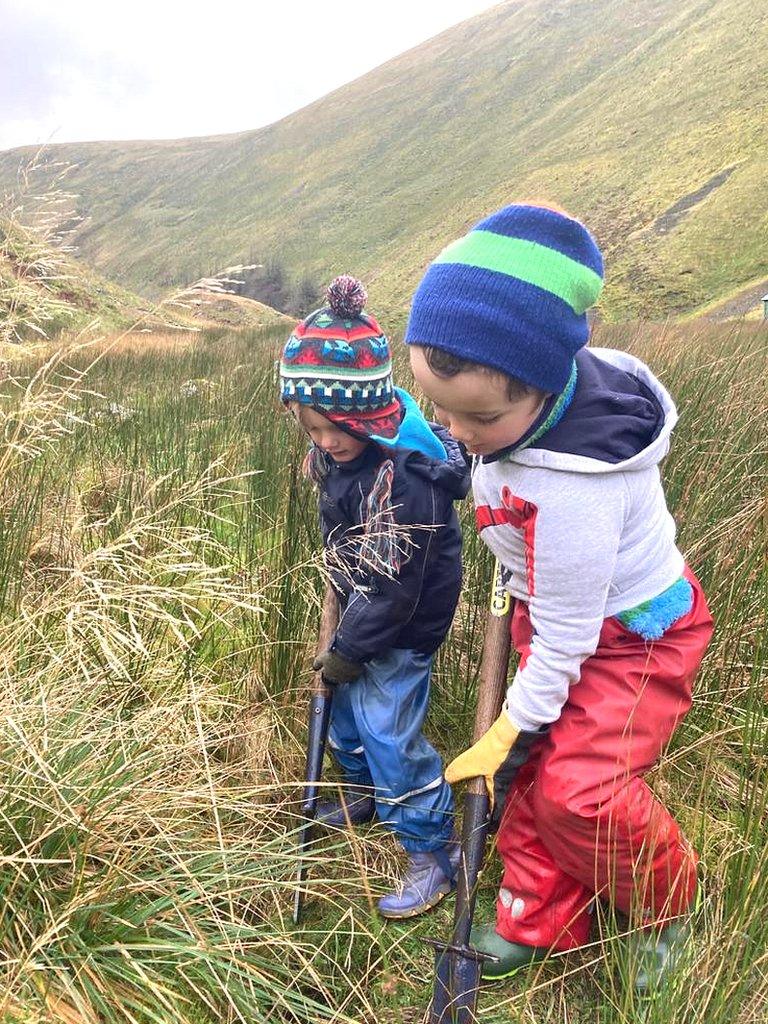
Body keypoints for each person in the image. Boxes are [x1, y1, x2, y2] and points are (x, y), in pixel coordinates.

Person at [403, 204, 714, 988]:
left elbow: (574, 638)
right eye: (442, 407)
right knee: (543, 775)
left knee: (576, 789)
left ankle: (670, 903)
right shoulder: (513, 418)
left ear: (541, 386)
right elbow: (480, 465)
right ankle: (532, 916)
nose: (458, 429)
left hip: (632, 637)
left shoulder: (574, 489)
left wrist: (509, 729)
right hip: (558, 612)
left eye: (478, 416)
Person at [280, 274, 470, 918]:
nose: (325, 442)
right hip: (361, 608)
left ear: (368, 417)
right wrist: (324, 460)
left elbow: (393, 588)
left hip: (401, 622)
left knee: (390, 732)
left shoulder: (406, 476)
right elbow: (338, 483)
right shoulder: (343, 454)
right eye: (311, 430)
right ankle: (365, 796)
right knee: (343, 718)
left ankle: (432, 849)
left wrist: (349, 650)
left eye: (335, 430)